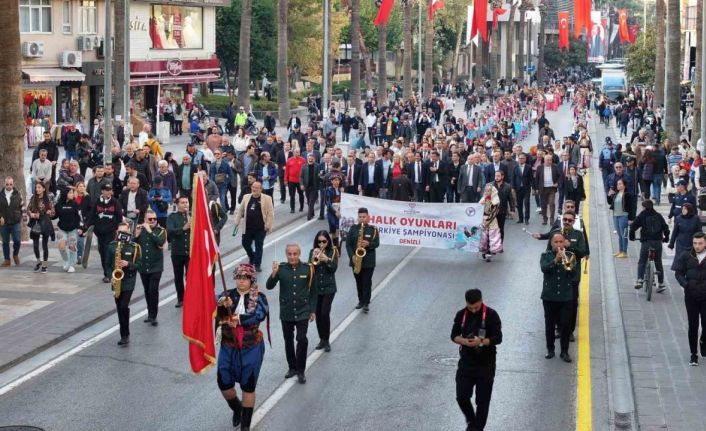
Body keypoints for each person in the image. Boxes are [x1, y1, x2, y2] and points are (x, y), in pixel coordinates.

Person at [215, 263, 269, 430]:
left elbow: (259, 314)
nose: (241, 281)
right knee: (224, 383)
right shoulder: (226, 295)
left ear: (251, 279)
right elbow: (215, 313)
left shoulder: (259, 297)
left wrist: (239, 318)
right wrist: (223, 306)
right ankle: (237, 408)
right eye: (238, 277)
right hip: (228, 346)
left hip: (250, 347)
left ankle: (245, 425)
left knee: (248, 385)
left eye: (245, 278)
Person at [451, 288, 502, 431]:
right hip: (466, 363)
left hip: (485, 365)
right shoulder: (461, 315)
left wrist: (481, 341)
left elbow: (498, 338)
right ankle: (471, 420)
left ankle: (477, 428)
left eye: (476, 307)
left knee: (482, 402)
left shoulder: (491, 315)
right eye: (470, 307)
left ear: (481, 301)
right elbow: (454, 335)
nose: (473, 310)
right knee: (461, 396)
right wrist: (464, 341)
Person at [266, 244, 316, 384]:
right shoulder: (281, 269)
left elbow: (313, 291)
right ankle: (292, 367)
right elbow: (269, 286)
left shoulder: (308, 268)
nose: (292, 257)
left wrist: (312, 310)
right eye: (290, 254)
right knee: (288, 340)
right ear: (286, 255)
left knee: (302, 339)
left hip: (302, 311)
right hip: (287, 311)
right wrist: (274, 273)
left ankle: (301, 370)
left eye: (295, 254)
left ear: (299, 254)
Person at [541, 232, 579, 363]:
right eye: (555, 242)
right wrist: (555, 260)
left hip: (565, 297)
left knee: (565, 325)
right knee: (549, 325)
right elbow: (544, 268)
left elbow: (572, 272)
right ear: (551, 243)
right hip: (549, 296)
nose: (558, 244)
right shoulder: (545, 256)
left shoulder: (570, 256)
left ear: (565, 243)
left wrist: (564, 260)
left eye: (561, 242)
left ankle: (564, 351)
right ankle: (550, 349)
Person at [673, 232, 706, 366]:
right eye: (695, 243)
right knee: (693, 325)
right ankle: (694, 354)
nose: (697, 246)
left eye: (700, 243)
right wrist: (685, 284)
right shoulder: (686, 255)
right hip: (691, 296)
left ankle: (703, 341)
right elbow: (678, 273)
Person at [107, 222, 141, 346]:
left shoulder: (134, 247)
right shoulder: (112, 246)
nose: (122, 235)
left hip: (128, 281)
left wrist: (129, 264)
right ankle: (123, 333)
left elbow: (139, 264)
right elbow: (107, 265)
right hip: (116, 280)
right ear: (117, 233)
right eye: (120, 232)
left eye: (125, 232)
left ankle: (125, 334)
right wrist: (111, 275)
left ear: (129, 233)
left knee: (123, 306)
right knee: (119, 307)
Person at [629, 200, 670, 292]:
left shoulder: (642, 215)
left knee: (642, 261)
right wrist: (666, 238)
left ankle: (640, 279)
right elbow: (665, 228)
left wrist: (632, 237)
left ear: (644, 207)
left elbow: (633, 226)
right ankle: (661, 283)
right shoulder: (658, 215)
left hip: (646, 242)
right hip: (657, 242)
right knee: (658, 262)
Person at [308, 231, 338, 352]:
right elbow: (309, 269)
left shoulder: (333, 251)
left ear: (328, 241)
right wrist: (313, 260)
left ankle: (326, 340)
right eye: (319, 241)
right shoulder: (313, 251)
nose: (321, 244)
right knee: (318, 315)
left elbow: (334, 268)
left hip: (329, 287)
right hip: (316, 288)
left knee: (325, 313)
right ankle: (322, 339)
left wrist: (326, 260)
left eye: (324, 241)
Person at [135, 209, 166, 326]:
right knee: (147, 291)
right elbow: (133, 247)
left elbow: (160, 242)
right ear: (145, 220)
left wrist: (149, 231)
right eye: (150, 219)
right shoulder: (140, 230)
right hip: (143, 266)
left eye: (154, 219)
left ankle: (154, 315)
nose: (153, 221)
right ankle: (150, 313)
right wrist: (136, 236)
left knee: (153, 290)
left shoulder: (160, 230)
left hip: (156, 266)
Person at [345, 208, 379, 313]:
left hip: (368, 261)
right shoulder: (353, 229)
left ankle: (366, 303)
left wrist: (369, 244)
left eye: (364, 217)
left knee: (366, 282)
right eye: (360, 217)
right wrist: (352, 256)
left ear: (368, 217)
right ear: (357, 217)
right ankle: (360, 301)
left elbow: (377, 243)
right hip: (355, 260)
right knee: (358, 281)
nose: (362, 219)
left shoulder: (373, 229)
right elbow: (348, 244)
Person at [234, 182, 274, 272]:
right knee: (245, 243)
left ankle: (257, 264)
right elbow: (240, 210)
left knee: (259, 246)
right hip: (248, 227)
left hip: (260, 228)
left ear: (261, 189)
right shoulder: (246, 197)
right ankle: (252, 256)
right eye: (253, 187)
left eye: (256, 187)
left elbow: (270, 214)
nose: (254, 189)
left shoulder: (267, 199)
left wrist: (268, 225)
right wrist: (237, 221)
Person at [166, 196, 191, 307]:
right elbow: (170, 231)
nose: (185, 204)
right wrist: (183, 228)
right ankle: (180, 298)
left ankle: (191, 297)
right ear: (177, 204)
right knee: (178, 276)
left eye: (186, 202)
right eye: (182, 202)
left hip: (190, 251)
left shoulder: (191, 215)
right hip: (177, 252)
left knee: (190, 276)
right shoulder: (172, 217)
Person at [27, 181, 55, 273]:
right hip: (35, 223)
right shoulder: (33, 198)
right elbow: (28, 209)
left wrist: (49, 212)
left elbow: (53, 212)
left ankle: (45, 265)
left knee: (44, 244)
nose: (37, 189)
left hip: (45, 223)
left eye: (39, 187)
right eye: (36, 187)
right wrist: (32, 214)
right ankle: (38, 262)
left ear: (43, 189)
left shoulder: (48, 198)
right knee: (35, 245)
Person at [54, 189, 81, 273]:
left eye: (72, 192)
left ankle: (72, 265)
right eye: (70, 192)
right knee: (61, 246)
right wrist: (50, 214)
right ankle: (66, 261)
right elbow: (54, 216)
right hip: (62, 228)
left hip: (72, 229)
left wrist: (80, 227)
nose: (72, 194)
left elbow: (78, 216)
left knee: (72, 246)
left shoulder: (75, 204)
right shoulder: (58, 205)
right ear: (65, 193)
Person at [607, 178, 636, 258]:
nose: (618, 185)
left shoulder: (627, 195)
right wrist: (609, 195)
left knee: (624, 235)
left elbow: (631, 207)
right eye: (617, 184)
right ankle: (620, 251)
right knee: (619, 235)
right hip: (616, 216)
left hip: (624, 216)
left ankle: (624, 252)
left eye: (620, 184)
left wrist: (631, 219)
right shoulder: (616, 194)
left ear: (624, 185)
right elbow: (610, 203)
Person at [669, 203, 702, 270]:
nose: (683, 210)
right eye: (682, 208)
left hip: (692, 243)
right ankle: (680, 273)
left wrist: (701, 243)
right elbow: (675, 232)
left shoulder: (696, 218)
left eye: (685, 209)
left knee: (691, 260)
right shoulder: (678, 218)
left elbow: (700, 232)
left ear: (689, 210)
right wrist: (671, 243)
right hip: (681, 243)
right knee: (680, 260)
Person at [0, 176, 23, 267]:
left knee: (17, 240)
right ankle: (7, 259)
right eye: (7, 184)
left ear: (13, 184)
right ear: (4, 184)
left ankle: (15, 254)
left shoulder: (18, 194)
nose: (9, 186)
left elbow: (22, 208)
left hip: (15, 222)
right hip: (4, 222)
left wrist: (20, 218)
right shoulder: (0, 195)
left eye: (10, 184)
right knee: (5, 241)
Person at [478, 184, 502, 262]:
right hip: (483, 220)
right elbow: (479, 208)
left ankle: (490, 252)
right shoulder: (484, 198)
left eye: (488, 190)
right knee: (484, 237)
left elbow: (494, 212)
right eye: (486, 190)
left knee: (492, 237)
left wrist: (487, 221)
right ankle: (485, 252)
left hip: (492, 220)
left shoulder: (496, 200)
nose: (487, 192)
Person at [536, 154, 560, 225]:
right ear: (544, 160)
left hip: (551, 188)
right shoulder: (539, 168)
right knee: (543, 205)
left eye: (550, 160)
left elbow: (560, 176)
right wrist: (536, 188)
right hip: (543, 189)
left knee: (552, 203)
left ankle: (552, 219)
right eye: (547, 160)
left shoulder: (555, 167)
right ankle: (545, 219)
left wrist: (557, 183)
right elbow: (536, 179)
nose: (549, 161)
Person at [300, 154, 322, 220]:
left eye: (312, 159)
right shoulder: (303, 166)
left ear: (314, 159)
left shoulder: (318, 166)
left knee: (311, 201)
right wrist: (301, 184)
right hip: (306, 186)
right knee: (309, 200)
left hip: (314, 187)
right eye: (309, 158)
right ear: (307, 159)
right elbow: (301, 177)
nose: (311, 160)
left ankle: (309, 216)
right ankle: (312, 213)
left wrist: (320, 175)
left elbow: (320, 175)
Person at [324, 175, 343, 247]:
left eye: (338, 180)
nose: (336, 182)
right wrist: (335, 212)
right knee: (333, 231)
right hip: (332, 213)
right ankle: (335, 247)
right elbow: (328, 203)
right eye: (335, 180)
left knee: (340, 231)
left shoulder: (341, 190)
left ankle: (338, 248)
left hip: (340, 212)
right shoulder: (328, 190)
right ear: (331, 181)